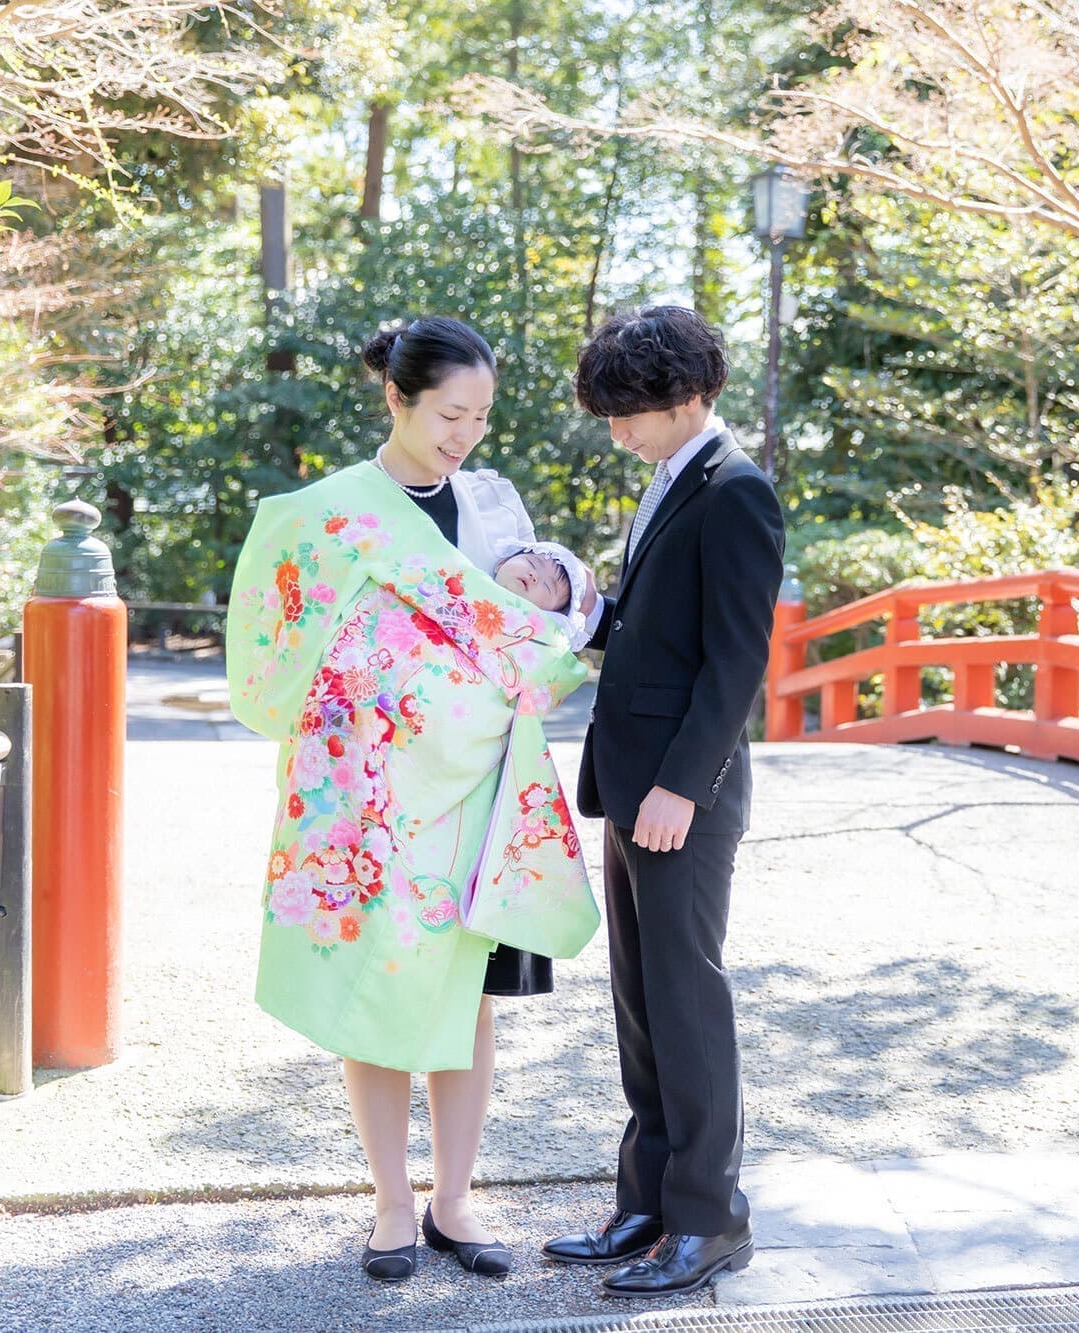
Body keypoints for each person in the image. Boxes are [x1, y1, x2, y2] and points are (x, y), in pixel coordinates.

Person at [226, 316, 600, 1283]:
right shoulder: (335, 512)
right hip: (370, 796)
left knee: (467, 992)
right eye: (447, 414)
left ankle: (455, 1198)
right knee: (377, 985)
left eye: (479, 416)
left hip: (478, 785)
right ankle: (393, 1201)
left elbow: (541, 624)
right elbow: (279, 645)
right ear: (395, 399)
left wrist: (559, 597)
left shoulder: (491, 503)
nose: (464, 435)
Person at [542, 306, 785, 1296]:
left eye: (627, 414)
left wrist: (682, 788)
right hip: (634, 779)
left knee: (686, 1001)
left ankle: (708, 1218)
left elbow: (734, 665)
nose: (616, 432)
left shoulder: (735, 492)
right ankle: (645, 1201)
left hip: (682, 792)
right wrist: (575, 603)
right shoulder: (670, 477)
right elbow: (655, 634)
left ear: (685, 400)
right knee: (640, 1004)